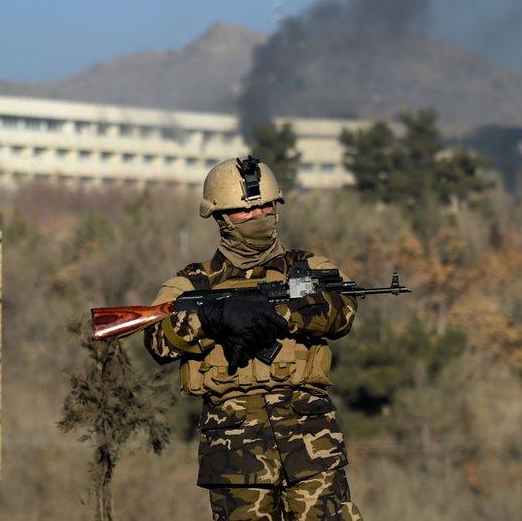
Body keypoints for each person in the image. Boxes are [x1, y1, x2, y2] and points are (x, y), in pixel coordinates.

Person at [144, 156, 363, 521]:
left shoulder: (309, 268)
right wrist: (212, 317)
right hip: (234, 455)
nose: (259, 216)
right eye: (246, 211)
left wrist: (280, 314)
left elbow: (342, 310)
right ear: (220, 218)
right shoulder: (192, 283)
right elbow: (156, 340)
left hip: (311, 444)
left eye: (265, 206)